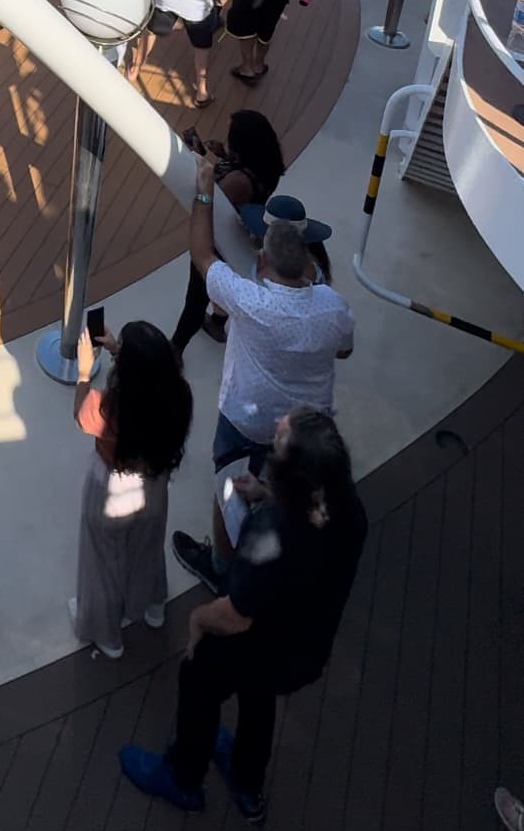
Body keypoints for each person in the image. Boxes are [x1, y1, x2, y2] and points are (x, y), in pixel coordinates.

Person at [121, 409, 367, 824]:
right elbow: (311, 526)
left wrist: (198, 621)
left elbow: (236, 614)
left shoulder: (271, 534)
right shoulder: (349, 510)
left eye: (283, 437)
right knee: (259, 699)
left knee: (198, 683)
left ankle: (183, 777)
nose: (278, 425)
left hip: (255, 643)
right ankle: (247, 781)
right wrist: (271, 494)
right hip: (303, 651)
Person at [172, 159, 354, 596]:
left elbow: (201, 254)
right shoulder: (333, 306)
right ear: (309, 260)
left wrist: (203, 190)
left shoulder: (250, 301)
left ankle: (220, 565)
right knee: (289, 495)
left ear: (262, 257)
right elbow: (344, 349)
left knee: (228, 488)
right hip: (307, 430)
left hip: (245, 421)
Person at [70, 317, 192, 660]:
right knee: (148, 546)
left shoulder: (110, 406)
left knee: (103, 560)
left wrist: (83, 374)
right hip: (154, 483)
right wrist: (119, 351)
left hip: (110, 487)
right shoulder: (179, 396)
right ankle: (152, 608)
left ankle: (108, 637)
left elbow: (80, 415)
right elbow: (148, 377)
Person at [171, 112, 285, 354]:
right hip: (241, 235)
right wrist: (224, 155)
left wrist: (200, 160)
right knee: (214, 290)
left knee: (196, 298)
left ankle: (176, 348)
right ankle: (217, 322)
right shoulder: (268, 167)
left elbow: (210, 200)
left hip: (217, 241)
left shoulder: (238, 182)